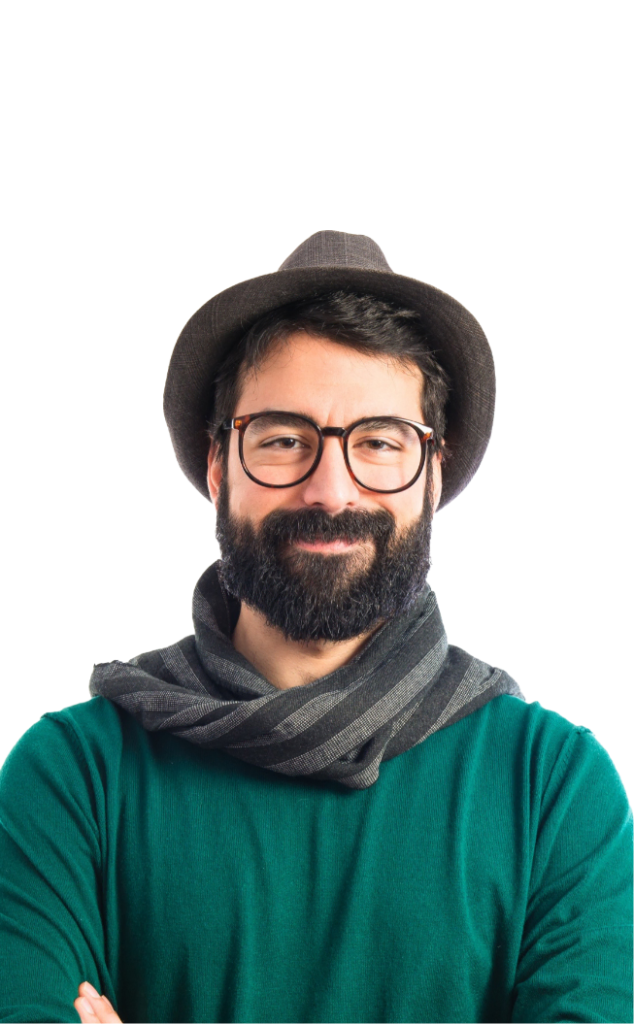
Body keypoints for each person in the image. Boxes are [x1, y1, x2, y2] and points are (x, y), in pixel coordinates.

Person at [2, 232, 633, 1024]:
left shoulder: (553, 790)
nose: (331, 490)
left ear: (434, 473)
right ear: (219, 466)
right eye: (283, 440)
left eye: (379, 443)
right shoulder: (73, 778)